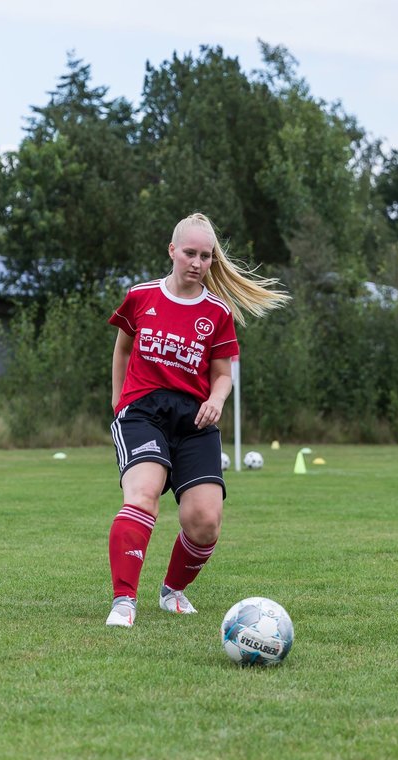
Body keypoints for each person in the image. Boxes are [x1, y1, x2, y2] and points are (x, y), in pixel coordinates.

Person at [104, 213, 289, 627]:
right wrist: (118, 402)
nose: (197, 262)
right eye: (190, 253)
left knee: (205, 520)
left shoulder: (217, 312)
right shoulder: (141, 297)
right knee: (143, 494)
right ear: (172, 251)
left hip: (194, 421)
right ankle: (123, 601)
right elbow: (122, 349)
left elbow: (223, 374)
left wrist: (217, 399)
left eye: (205, 256)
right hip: (143, 412)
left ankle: (171, 591)